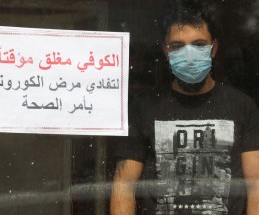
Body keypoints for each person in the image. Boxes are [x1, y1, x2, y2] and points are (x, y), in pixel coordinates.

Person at [110, 2, 259, 215]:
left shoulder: (242, 106)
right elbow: (124, 185)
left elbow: (256, 187)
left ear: (213, 48)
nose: (189, 55)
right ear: (165, 50)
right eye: (178, 46)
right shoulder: (144, 108)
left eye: (199, 44)